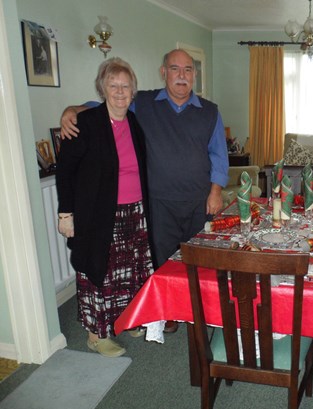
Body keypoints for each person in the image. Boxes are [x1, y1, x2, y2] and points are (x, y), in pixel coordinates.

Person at [61, 49, 229, 333]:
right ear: (163, 72)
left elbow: (219, 156)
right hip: (157, 202)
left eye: (188, 70)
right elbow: (110, 104)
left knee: (199, 259)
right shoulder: (145, 103)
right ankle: (171, 313)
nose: (182, 75)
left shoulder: (210, 111)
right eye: (175, 69)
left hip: (198, 201)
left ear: (195, 75)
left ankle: (199, 311)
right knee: (162, 262)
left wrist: (215, 192)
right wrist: (72, 110)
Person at [56, 57, 153, 357]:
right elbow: (65, 169)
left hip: (134, 213)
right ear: (103, 88)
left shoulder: (133, 122)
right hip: (99, 216)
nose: (120, 91)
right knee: (100, 272)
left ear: (133, 91)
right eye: (114, 85)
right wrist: (65, 213)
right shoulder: (85, 123)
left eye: (126, 86)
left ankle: (124, 320)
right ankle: (96, 335)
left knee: (130, 273)